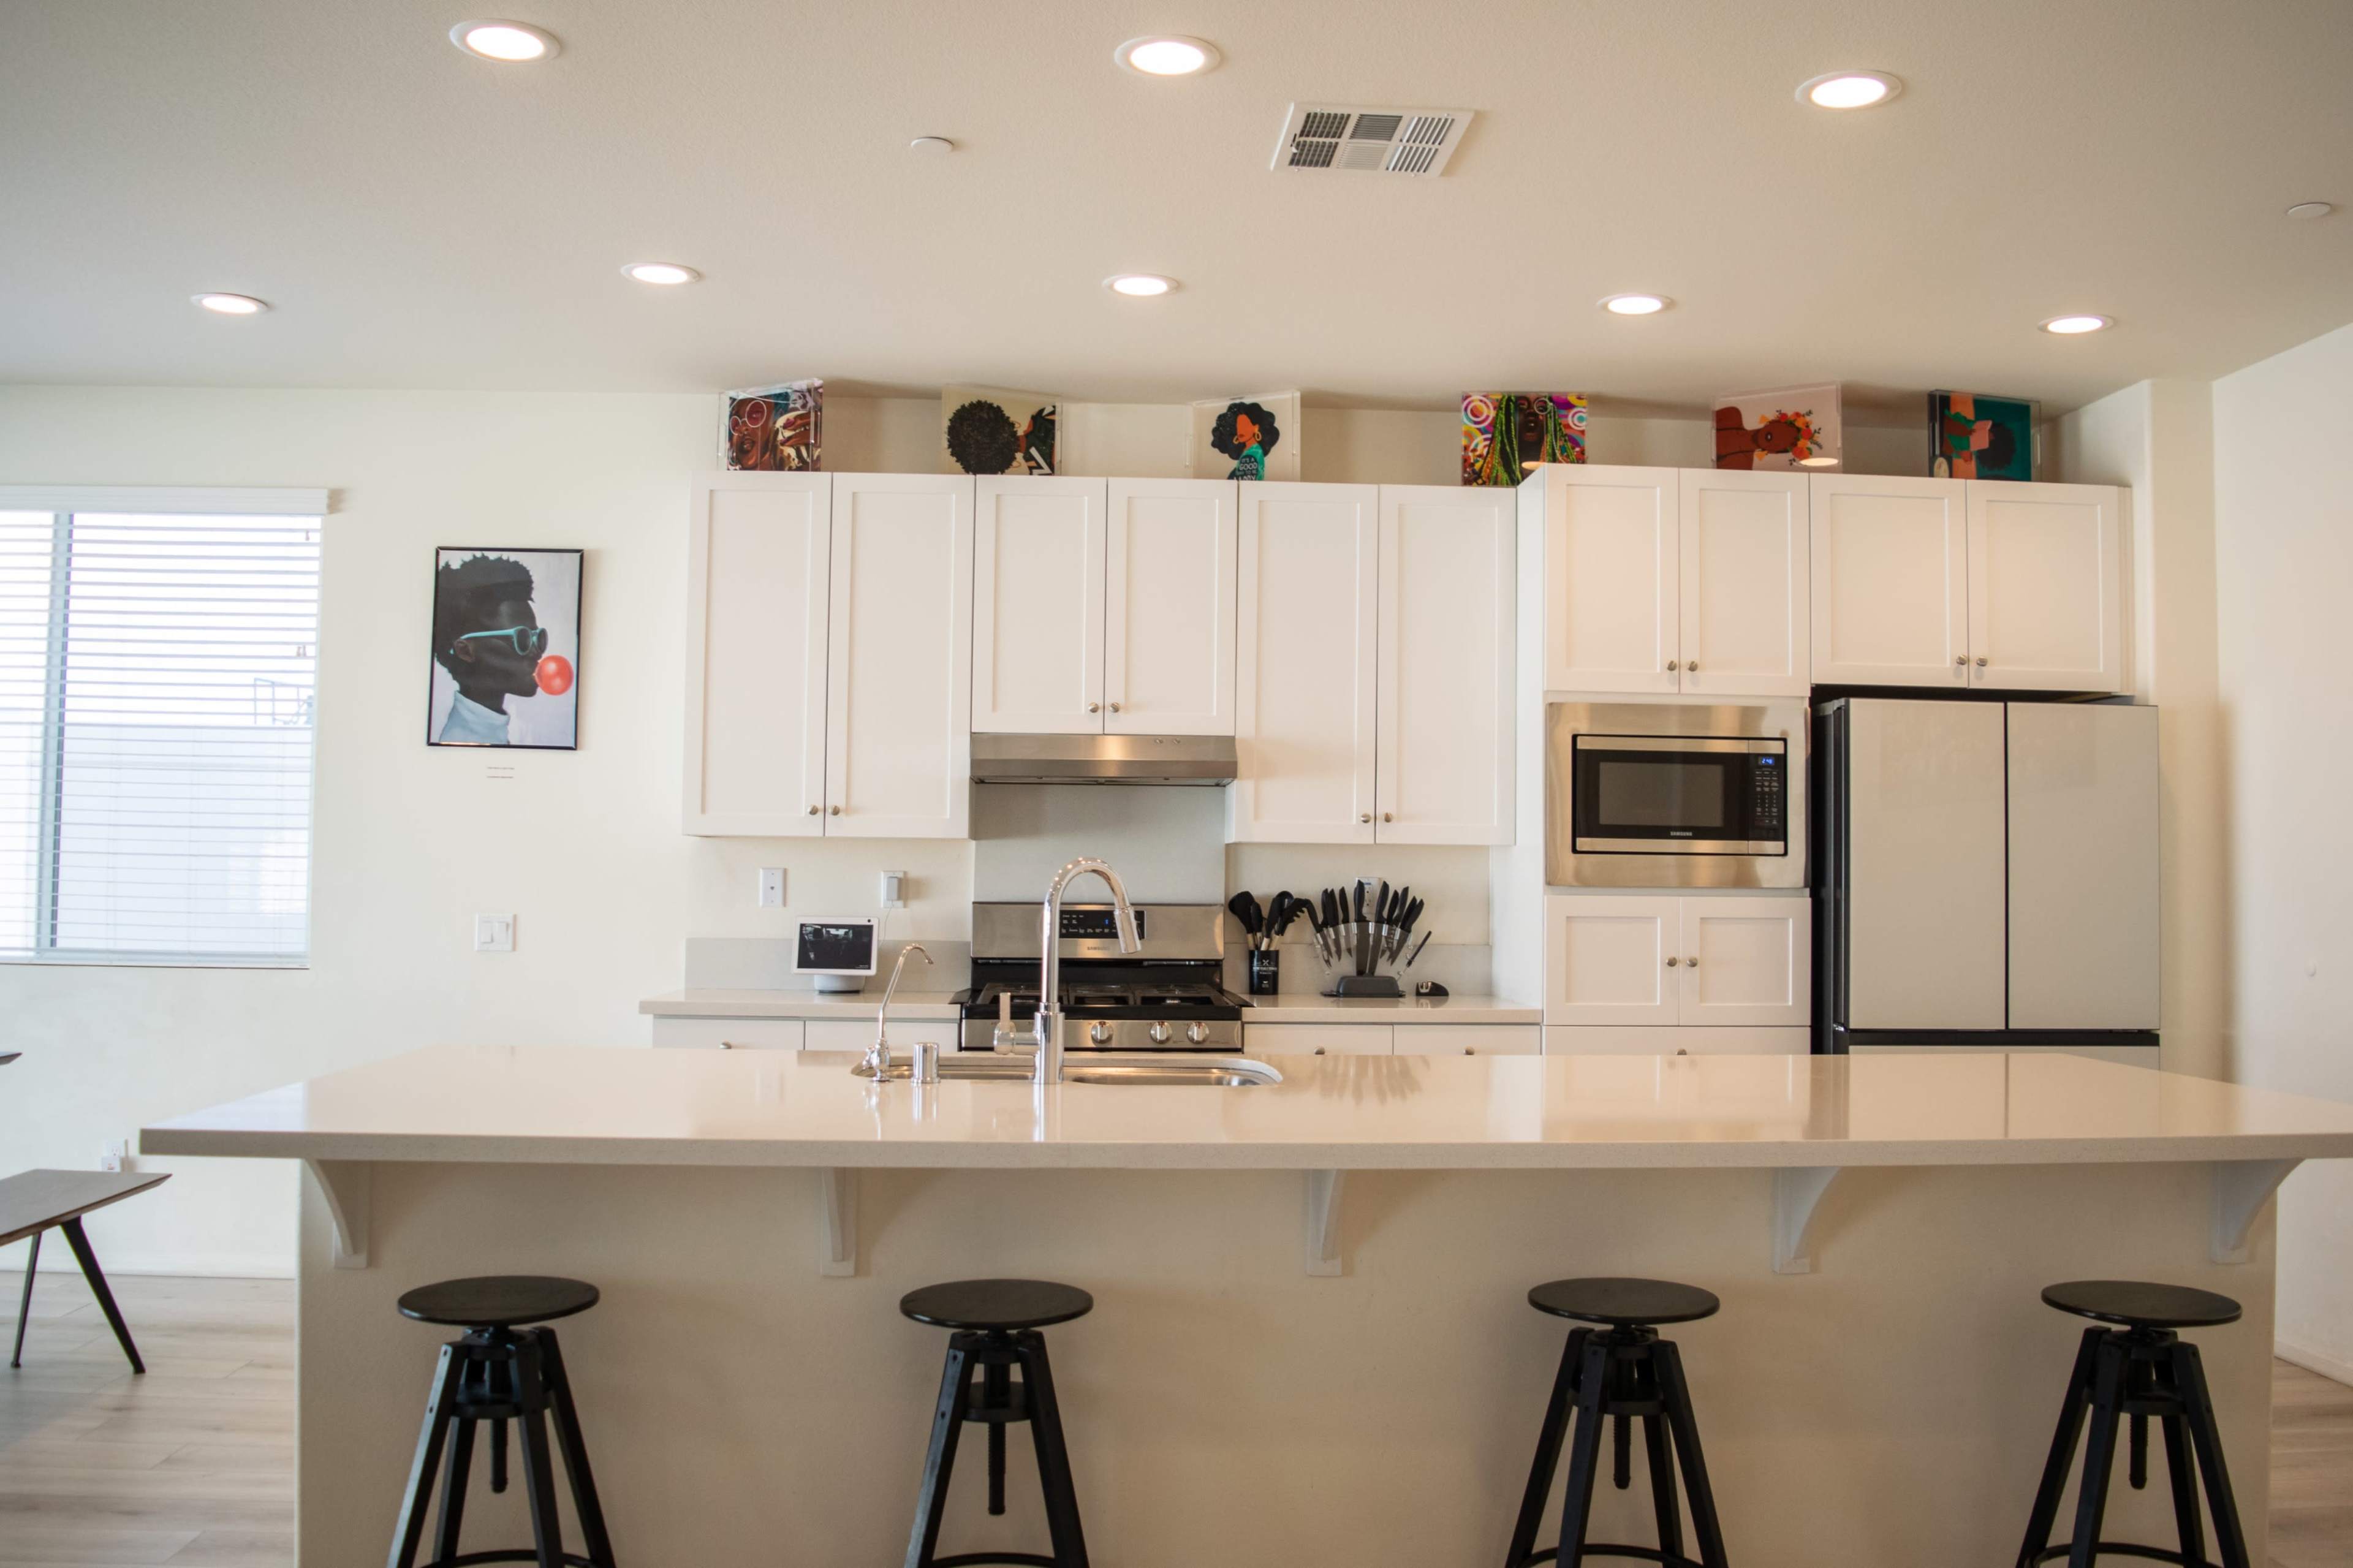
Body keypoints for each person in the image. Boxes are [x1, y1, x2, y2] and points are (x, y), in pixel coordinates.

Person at [431, 554, 545, 744]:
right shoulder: (464, 742)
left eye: (538, 637)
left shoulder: (493, 732)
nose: (537, 652)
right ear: (466, 651)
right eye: (522, 638)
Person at [1210, 400, 1281, 480]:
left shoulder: (1252, 454)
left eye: (1244, 426)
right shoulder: (1250, 451)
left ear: (1256, 428)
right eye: (1238, 428)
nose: (1240, 431)